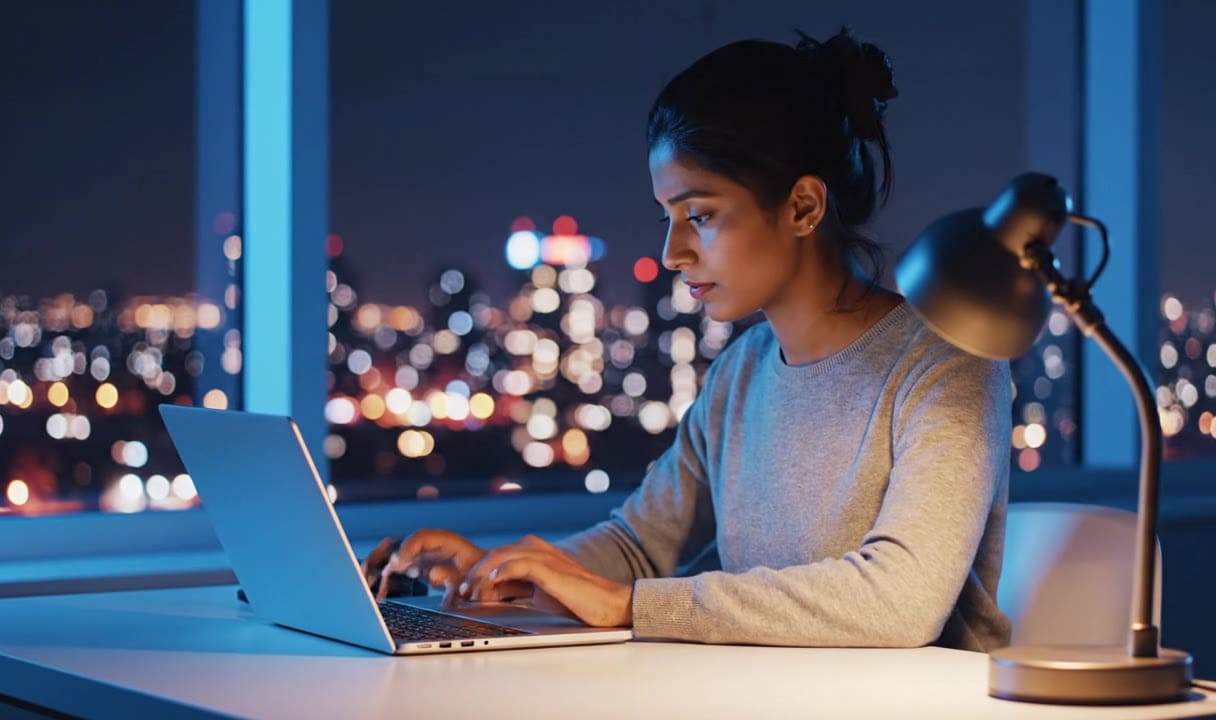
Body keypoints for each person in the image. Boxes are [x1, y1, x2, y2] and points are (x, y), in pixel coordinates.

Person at [371, 27, 1013, 651]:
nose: (673, 252)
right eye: (669, 218)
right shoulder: (742, 370)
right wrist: (501, 573)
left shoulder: (947, 363)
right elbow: (642, 546)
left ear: (803, 208)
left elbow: (901, 601)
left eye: (700, 216)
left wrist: (629, 605)